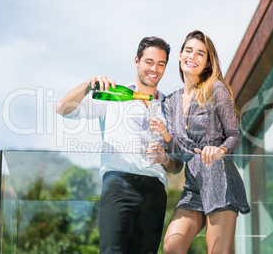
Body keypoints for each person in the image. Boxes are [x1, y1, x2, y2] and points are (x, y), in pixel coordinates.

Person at [56, 36, 183, 254]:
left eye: (161, 64)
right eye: (149, 62)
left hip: (155, 190)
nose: (154, 69)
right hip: (118, 185)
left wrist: (164, 158)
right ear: (137, 61)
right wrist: (88, 85)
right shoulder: (113, 95)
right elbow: (64, 109)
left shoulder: (170, 107)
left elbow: (178, 165)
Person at [149, 30, 250, 253]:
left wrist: (221, 149)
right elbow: (180, 155)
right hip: (193, 185)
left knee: (219, 250)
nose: (192, 57)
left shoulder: (216, 89)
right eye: (188, 50)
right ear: (180, 55)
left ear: (206, 63)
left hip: (220, 180)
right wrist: (166, 136)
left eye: (200, 54)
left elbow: (234, 135)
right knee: (172, 247)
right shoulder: (171, 101)